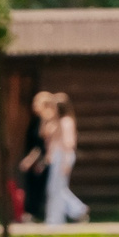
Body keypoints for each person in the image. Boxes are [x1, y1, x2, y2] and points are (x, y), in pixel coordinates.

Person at [41, 89, 87, 224]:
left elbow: (68, 142)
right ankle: (62, 215)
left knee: (57, 188)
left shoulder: (66, 121)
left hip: (63, 156)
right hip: (58, 156)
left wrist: (66, 161)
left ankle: (71, 212)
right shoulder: (57, 121)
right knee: (55, 188)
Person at [16, 89, 52, 223]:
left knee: (39, 188)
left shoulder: (46, 122)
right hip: (36, 160)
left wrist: (30, 160)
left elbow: (40, 146)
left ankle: (34, 213)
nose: (34, 104)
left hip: (40, 160)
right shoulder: (37, 121)